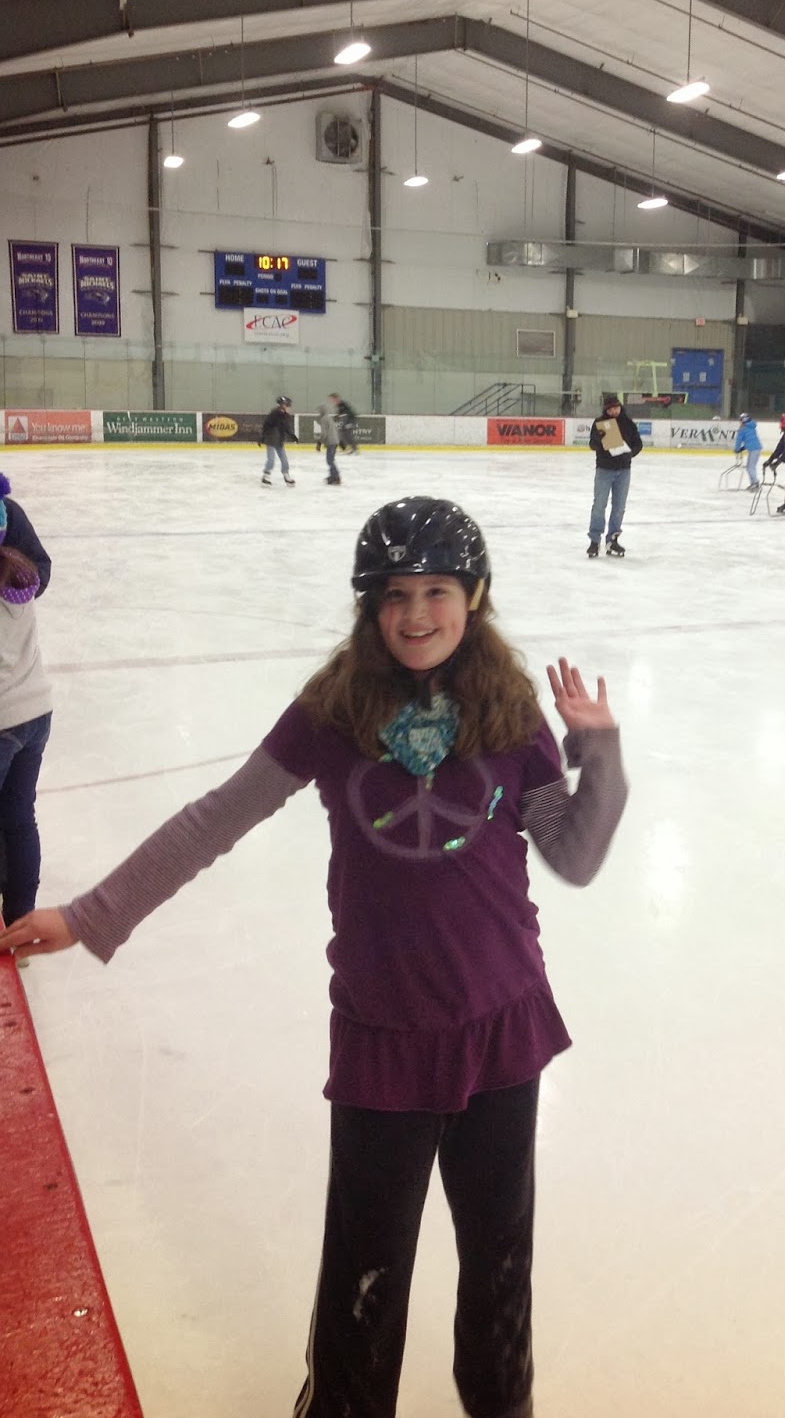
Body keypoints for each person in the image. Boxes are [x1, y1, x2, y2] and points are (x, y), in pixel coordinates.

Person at [0, 496, 628, 1418]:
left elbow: (571, 853)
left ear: (474, 595)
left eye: (437, 591)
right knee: (364, 1273)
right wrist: (92, 913)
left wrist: (597, 752)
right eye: (394, 596)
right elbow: (219, 816)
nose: (416, 615)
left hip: (502, 1028)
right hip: (384, 1035)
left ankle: (502, 1404)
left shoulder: (505, 709)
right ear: (367, 607)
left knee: (499, 1259)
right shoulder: (334, 713)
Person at [0, 479, 52, 945]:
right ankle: (20, 920)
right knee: (18, 817)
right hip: (35, 711)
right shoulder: (19, 579)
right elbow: (40, 567)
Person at [587, 393, 642, 557]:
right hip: (604, 470)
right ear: (606, 409)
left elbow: (638, 444)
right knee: (599, 505)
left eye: (616, 408)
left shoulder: (628, 423)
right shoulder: (599, 423)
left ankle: (612, 540)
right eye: (610, 409)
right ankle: (594, 541)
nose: (614, 411)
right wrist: (598, 439)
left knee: (619, 507)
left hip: (624, 471)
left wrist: (629, 454)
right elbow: (592, 445)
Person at [261, 395, 297, 486]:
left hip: (280, 440)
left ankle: (286, 475)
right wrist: (262, 437)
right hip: (271, 440)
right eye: (287, 405)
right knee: (271, 460)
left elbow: (286, 427)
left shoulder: (285, 416)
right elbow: (266, 425)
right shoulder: (274, 414)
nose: (288, 407)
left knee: (284, 460)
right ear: (282, 405)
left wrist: (292, 435)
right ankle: (266, 476)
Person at [317, 394, 342, 486]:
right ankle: (333, 475)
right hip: (335, 441)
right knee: (331, 459)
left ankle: (336, 476)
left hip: (331, 442)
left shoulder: (323, 419)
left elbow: (324, 434)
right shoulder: (329, 418)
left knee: (330, 460)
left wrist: (319, 442)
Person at [733, 412, 763, 489]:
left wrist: (737, 449)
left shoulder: (742, 429)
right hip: (757, 448)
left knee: (750, 467)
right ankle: (753, 483)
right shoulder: (752, 427)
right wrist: (743, 448)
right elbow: (750, 440)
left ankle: (755, 482)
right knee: (750, 467)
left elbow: (739, 440)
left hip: (753, 449)